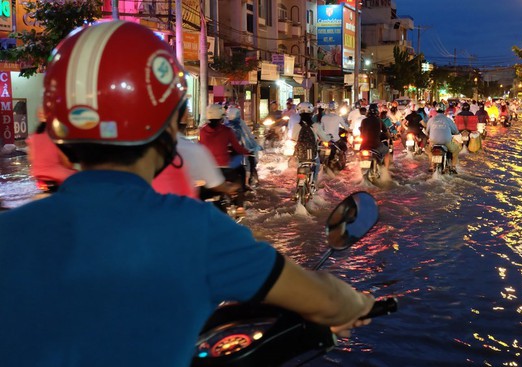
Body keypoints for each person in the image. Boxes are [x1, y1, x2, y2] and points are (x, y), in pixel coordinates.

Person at [0, 21, 374, 367]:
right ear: (167, 128)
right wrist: (356, 302)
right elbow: (325, 301)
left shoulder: (9, 232)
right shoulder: (197, 230)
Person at [200, 103, 250, 215]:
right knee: (239, 180)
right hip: (224, 169)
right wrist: (247, 152)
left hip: (207, 171)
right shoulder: (227, 130)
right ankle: (239, 207)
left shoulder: (202, 131)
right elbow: (237, 147)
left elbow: (200, 147)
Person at [26, 106, 77, 192]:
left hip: (38, 175)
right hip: (58, 176)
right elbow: (68, 163)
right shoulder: (57, 136)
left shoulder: (33, 136)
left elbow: (30, 158)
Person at [225, 106, 263, 188]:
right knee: (247, 164)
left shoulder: (224, 124)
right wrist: (254, 146)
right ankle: (246, 183)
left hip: (225, 155)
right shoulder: (239, 125)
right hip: (238, 151)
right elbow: (248, 137)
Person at [426, 108, 461, 174]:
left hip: (434, 142)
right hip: (446, 142)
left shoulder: (431, 119)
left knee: (428, 151)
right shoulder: (448, 120)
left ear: (436, 111)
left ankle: (432, 165)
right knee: (456, 150)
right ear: (444, 111)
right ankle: (453, 166)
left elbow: (427, 131)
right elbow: (455, 131)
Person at [359, 103, 390, 168]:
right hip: (376, 145)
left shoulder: (363, 121)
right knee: (387, 151)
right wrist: (389, 137)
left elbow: (361, 133)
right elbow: (386, 133)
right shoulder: (379, 121)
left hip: (363, 145)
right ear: (377, 112)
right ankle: (386, 171)